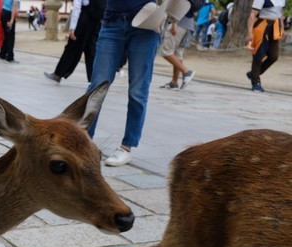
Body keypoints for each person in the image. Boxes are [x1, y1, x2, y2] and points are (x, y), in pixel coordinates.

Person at [86, 0, 161, 167]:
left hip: (146, 24)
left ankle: (126, 147)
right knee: (97, 86)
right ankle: (84, 140)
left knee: (137, 91)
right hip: (112, 22)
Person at [44, 0, 105, 84]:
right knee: (91, 51)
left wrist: (72, 27)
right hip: (96, 22)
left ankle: (58, 74)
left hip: (83, 21)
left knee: (72, 48)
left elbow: (77, 8)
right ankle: (95, 79)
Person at [246, 0, 286, 92]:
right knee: (258, 54)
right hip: (261, 24)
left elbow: (280, 14)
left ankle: (254, 73)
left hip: (275, 26)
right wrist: (250, 32)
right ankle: (256, 82)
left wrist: (282, 28)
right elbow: (252, 15)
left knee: (274, 56)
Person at [158, 4, 198, 90]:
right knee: (178, 54)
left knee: (165, 51)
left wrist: (173, 24)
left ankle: (186, 72)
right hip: (189, 25)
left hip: (179, 24)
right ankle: (174, 83)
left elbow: (178, 6)